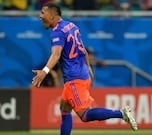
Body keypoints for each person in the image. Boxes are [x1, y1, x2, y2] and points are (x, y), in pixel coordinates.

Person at [32, 3, 137, 135]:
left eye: (42, 13)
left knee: (85, 115)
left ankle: (121, 114)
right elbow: (82, 48)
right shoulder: (71, 26)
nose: (40, 16)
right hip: (81, 73)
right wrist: (87, 65)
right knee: (65, 109)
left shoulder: (57, 32)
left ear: (52, 16)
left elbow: (56, 54)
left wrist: (45, 71)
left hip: (74, 78)